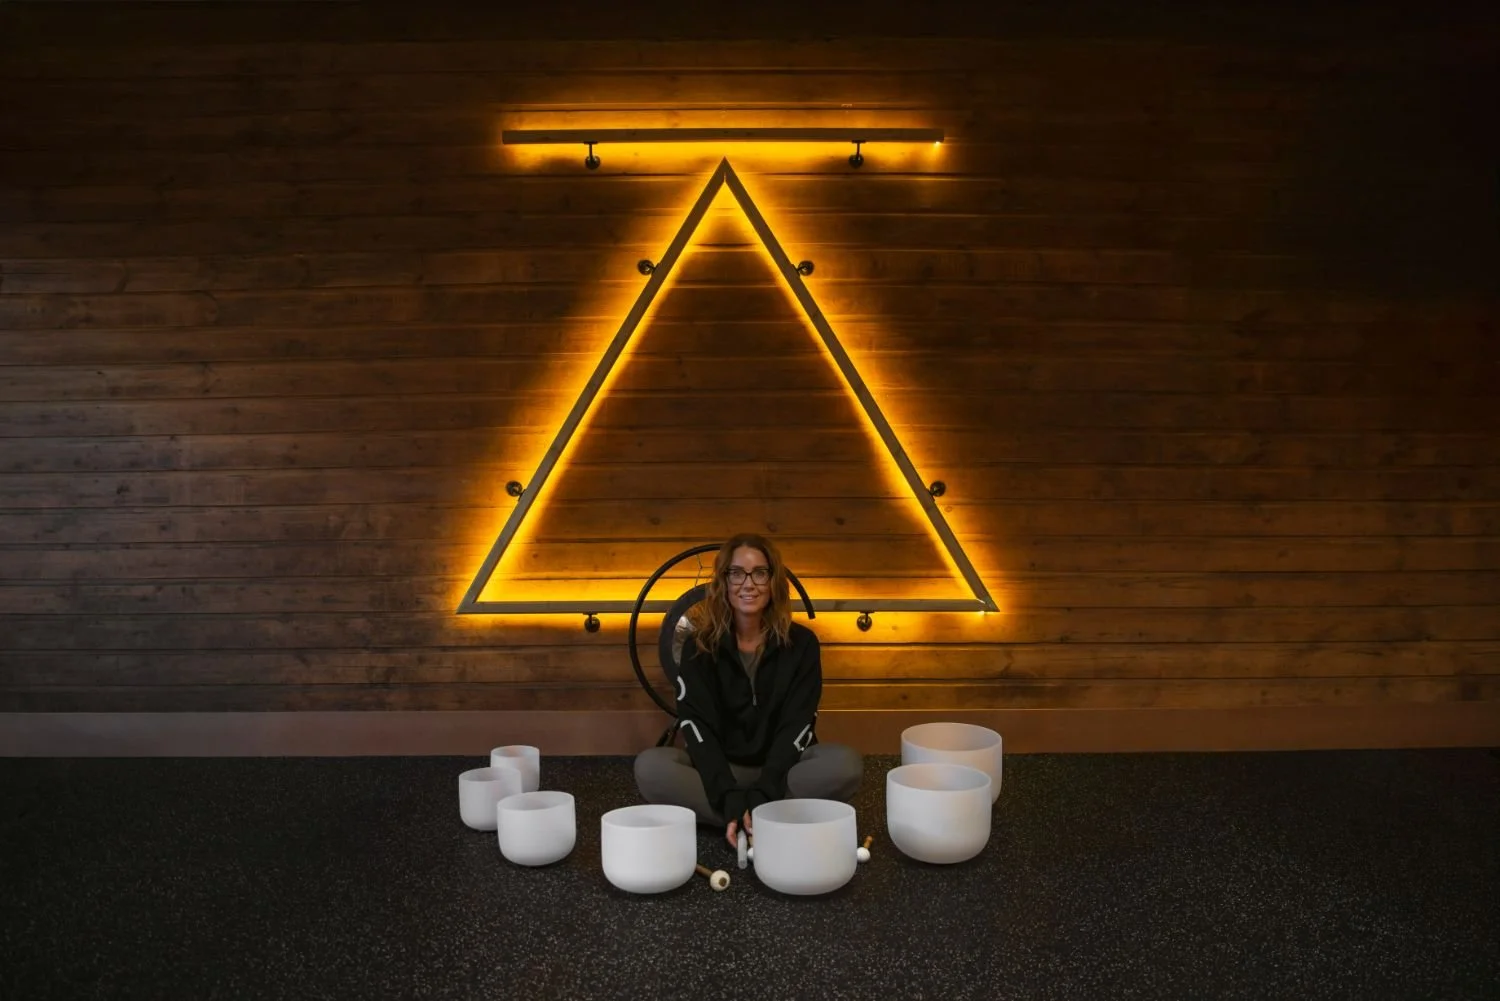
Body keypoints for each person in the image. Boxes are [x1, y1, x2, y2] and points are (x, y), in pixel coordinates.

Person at [634, 533, 863, 848]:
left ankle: (740, 815)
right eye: (737, 572)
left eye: (760, 573)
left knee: (845, 765)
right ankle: (763, 815)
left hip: (782, 770)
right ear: (724, 581)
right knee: (651, 768)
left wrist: (766, 788)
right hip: (719, 770)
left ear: (773, 582)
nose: (748, 583)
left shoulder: (802, 645)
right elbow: (697, 727)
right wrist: (727, 792)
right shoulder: (697, 648)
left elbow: (797, 727)